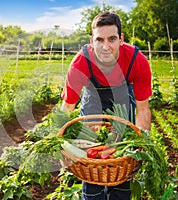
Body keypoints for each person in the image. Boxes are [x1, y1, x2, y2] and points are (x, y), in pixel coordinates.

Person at [60, 11, 152, 200]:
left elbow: (142, 110)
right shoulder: (80, 63)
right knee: (91, 161)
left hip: (122, 104)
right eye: (99, 40)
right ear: (91, 40)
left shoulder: (137, 61)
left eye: (112, 39)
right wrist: (61, 145)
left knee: (121, 164)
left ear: (121, 39)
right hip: (93, 103)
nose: (105, 46)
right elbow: (67, 107)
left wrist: (140, 145)